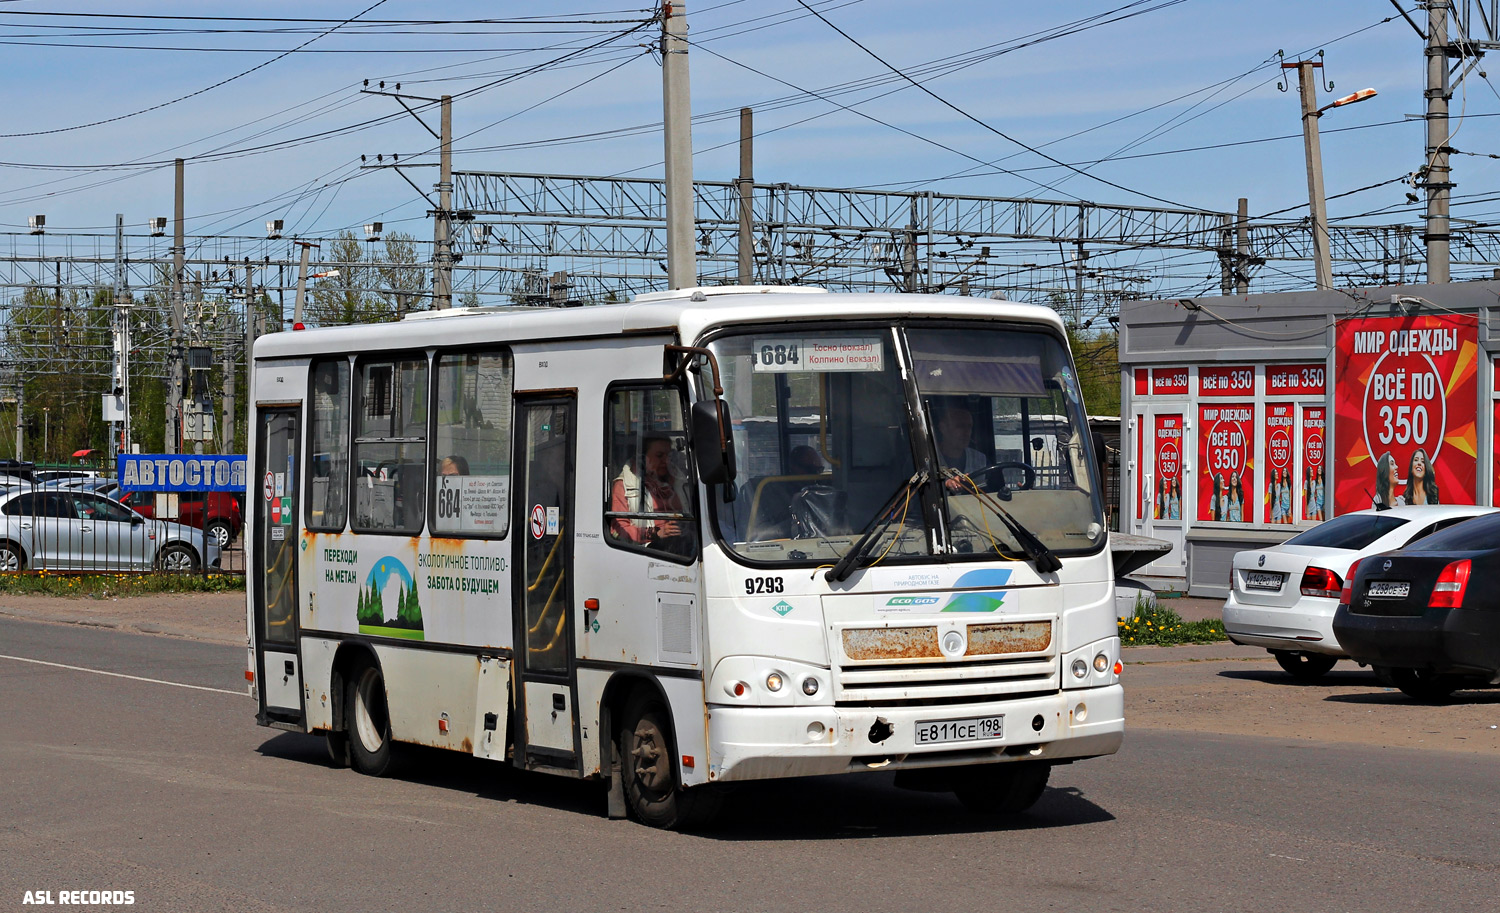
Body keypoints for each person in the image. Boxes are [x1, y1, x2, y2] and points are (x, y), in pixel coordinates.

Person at [610, 433, 691, 546]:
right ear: (643, 458)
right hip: (650, 550)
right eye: (659, 455)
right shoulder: (624, 485)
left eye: (669, 456)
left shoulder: (680, 480)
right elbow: (618, 530)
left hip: (682, 544)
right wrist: (656, 533)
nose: (666, 461)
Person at [931, 398, 986, 489]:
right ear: (943, 428)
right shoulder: (925, 460)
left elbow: (995, 489)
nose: (966, 432)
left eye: (969, 427)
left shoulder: (981, 460)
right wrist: (946, 485)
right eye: (960, 426)